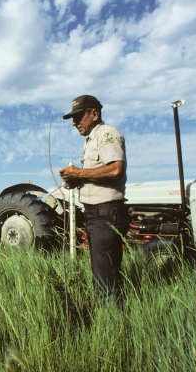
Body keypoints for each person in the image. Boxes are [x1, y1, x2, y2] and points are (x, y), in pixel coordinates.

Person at [58, 95, 129, 304]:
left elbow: (116, 169)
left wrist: (78, 174)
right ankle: (107, 316)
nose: (74, 123)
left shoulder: (107, 134)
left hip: (106, 214)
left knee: (105, 278)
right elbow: (97, 174)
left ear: (94, 114)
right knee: (101, 273)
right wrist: (74, 180)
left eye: (79, 117)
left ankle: (110, 320)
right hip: (95, 214)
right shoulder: (90, 142)